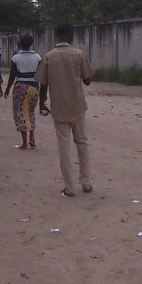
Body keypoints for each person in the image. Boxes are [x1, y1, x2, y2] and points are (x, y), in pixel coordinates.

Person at [36, 23, 94, 196]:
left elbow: (43, 84)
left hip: (59, 108)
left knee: (64, 147)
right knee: (82, 143)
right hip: (77, 106)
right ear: (71, 35)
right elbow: (87, 81)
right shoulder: (79, 54)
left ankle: (69, 187)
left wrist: (41, 103)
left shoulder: (49, 56)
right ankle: (86, 183)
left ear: (57, 35)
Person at [3, 34, 42, 150]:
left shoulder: (16, 58)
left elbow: (12, 76)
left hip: (21, 87)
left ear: (19, 43)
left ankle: (24, 143)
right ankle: (32, 138)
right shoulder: (38, 57)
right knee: (31, 112)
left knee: (21, 113)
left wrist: (7, 89)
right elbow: (41, 74)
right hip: (34, 87)